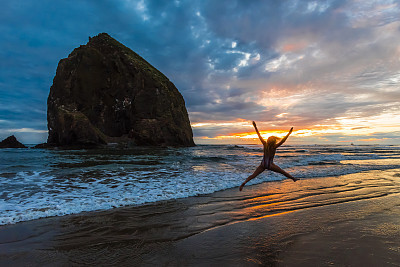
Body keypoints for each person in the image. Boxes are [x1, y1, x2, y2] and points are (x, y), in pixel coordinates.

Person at [239, 121, 298, 191]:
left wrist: (255, 127)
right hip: (270, 164)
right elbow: (283, 141)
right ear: (274, 142)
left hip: (263, 164)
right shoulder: (274, 147)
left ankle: (244, 182)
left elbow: (259, 135)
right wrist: (289, 133)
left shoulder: (264, 144)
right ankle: (293, 178)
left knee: (253, 175)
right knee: (283, 172)